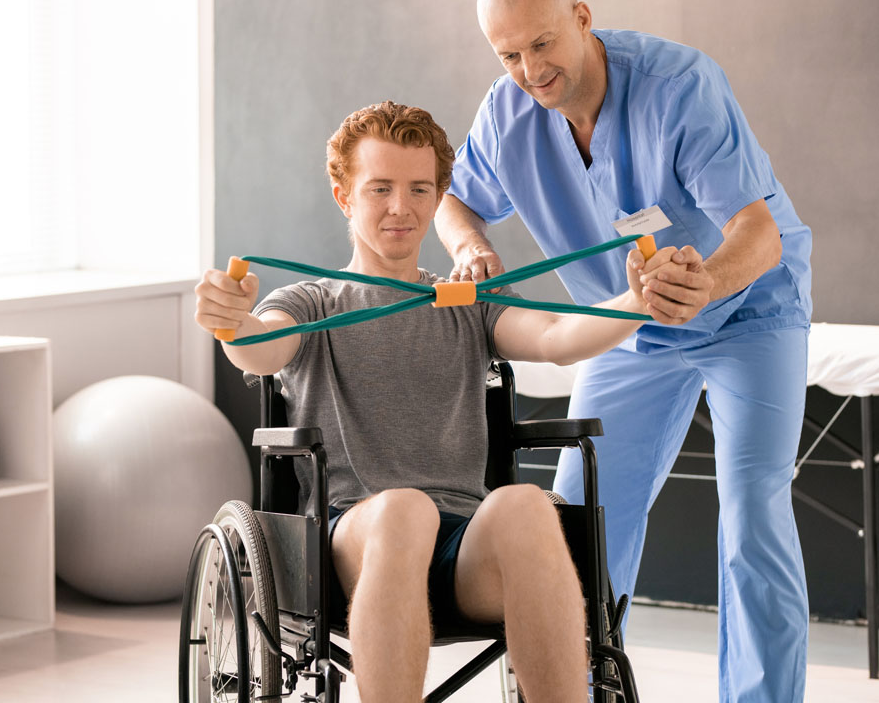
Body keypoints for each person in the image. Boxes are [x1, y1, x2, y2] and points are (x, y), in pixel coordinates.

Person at [195, 100, 674, 703]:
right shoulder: (313, 303)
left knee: (527, 503)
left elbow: (556, 338)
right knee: (404, 511)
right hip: (350, 544)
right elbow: (260, 347)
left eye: (421, 189)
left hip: (460, 550)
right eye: (380, 189)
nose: (402, 207)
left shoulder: (467, 302)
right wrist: (233, 324)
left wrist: (637, 301)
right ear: (345, 196)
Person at [435, 0, 813, 703]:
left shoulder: (680, 87)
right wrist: (468, 245)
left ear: (582, 18)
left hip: (749, 310)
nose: (529, 70)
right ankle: (575, 692)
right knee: (576, 522)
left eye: (542, 45)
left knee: (752, 512)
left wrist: (707, 281)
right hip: (632, 327)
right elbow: (454, 201)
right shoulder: (508, 114)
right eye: (508, 55)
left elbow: (757, 232)